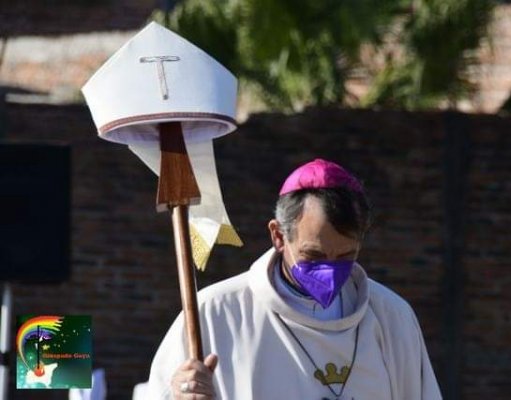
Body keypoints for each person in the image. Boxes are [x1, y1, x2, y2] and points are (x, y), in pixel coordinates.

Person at [148, 158, 442, 399]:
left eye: (345, 257)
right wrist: (179, 394)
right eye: (313, 256)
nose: (329, 271)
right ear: (278, 235)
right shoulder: (215, 313)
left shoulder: (392, 317)